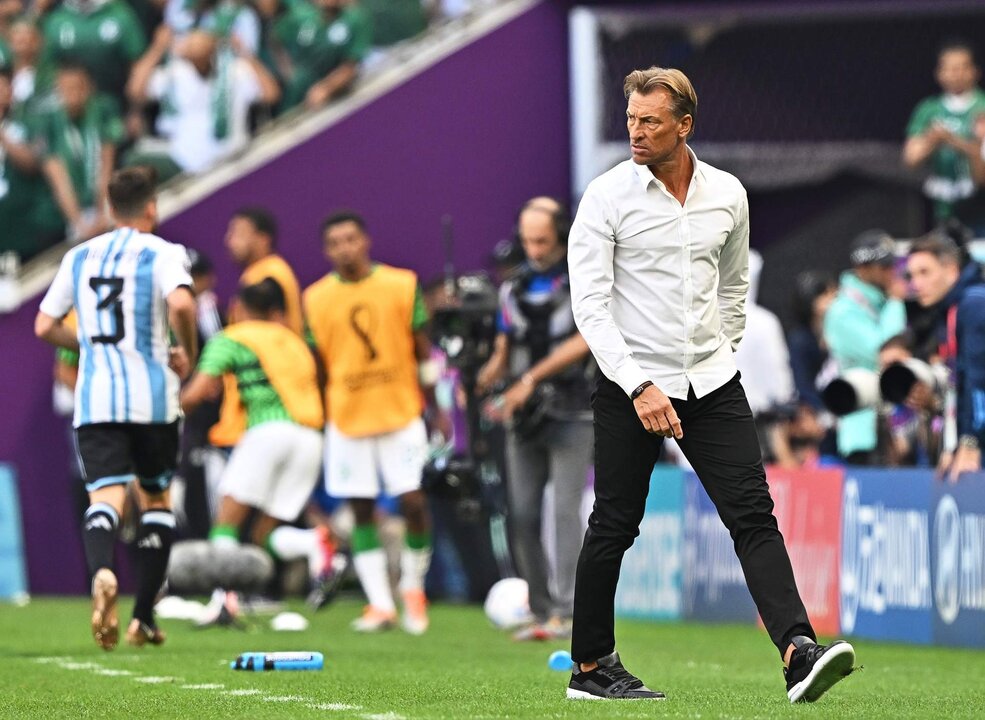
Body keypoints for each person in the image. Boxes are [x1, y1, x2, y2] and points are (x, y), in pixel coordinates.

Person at [565, 66, 856, 703]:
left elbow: (733, 289)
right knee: (616, 523)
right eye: (632, 120)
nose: (637, 133)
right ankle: (589, 668)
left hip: (713, 383)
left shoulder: (728, 193)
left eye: (651, 121)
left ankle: (797, 651)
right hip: (629, 384)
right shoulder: (606, 196)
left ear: (685, 125)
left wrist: (718, 354)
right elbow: (590, 307)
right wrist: (640, 384)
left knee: (753, 514)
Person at [34, 165, 198, 649]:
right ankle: (143, 616)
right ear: (152, 207)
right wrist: (184, 349)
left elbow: (43, 326)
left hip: (97, 398)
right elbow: (184, 306)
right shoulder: (163, 252)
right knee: (155, 500)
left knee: (105, 498)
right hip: (152, 399)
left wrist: (86, 343)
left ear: (108, 208)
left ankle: (102, 571)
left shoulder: (79, 256)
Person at [304, 210, 448, 634]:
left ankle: (412, 586)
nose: (344, 248)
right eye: (335, 242)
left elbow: (423, 351)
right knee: (361, 508)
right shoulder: (315, 298)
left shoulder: (402, 284)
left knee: (414, 501)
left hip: (401, 412)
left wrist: (436, 406)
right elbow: (319, 365)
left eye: (351, 239)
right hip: (347, 418)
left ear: (365, 241)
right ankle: (380, 605)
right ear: (327, 250)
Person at [476, 196, 593, 642]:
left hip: (573, 411)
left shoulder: (583, 281)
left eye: (542, 241)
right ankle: (542, 609)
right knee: (521, 513)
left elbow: (583, 342)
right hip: (524, 416)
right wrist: (489, 377)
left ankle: (568, 610)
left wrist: (529, 378)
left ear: (561, 236)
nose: (535, 249)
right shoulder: (512, 290)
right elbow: (504, 353)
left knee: (565, 512)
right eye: (527, 241)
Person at [180, 278, 335, 608]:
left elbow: (194, 395)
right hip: (310, 437)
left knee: (226, 522)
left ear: (238, 308)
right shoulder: (296, 343)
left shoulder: (232, 337)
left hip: (267, 432)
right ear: (275, 312)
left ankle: (223, 602)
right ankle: (313, 543)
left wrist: (158, 416)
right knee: (263, 533)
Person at [127, 26, 280, 179]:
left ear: (213, 48)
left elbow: (271, 94)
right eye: (191, 46)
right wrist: (157, 48)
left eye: (202, 45)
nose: (197, 53)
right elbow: (135, 91)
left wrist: (246, 54)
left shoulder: (235, 72)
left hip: (231, 158)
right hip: (185, 162)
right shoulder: (176, 75)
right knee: (134, 161)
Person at [906, 230, 985, 482]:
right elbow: (957, 383)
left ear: (951, 270)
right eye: (911, 275)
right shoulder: (952, 309)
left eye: (924, 272)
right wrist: (953, 446)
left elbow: (978, 379)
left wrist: (972, 442)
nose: (915, 284)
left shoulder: (974, 303)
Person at [823, 230, 907, 464]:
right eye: (884, 266)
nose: (892, 272)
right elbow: (883, 351)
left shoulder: (877, 301)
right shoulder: (842, 311)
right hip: (863, 429)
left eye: (892, 264)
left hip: (893, 424)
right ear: (862, 268)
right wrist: (896, 301)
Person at [36, 62, 124, 242]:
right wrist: (78, 222)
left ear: (89, 87)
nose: (73, 94)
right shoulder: (49, 121)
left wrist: (104, 212)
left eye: (78, 87)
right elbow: (59, 179)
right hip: (72, 212)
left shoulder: (103, 108)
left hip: (109, 202)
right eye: (66, 89)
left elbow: (107, 164)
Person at [903, 40, 985, 226]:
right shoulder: (929, 109)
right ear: (939, 73)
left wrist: (957, 143)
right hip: (943, 208)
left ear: (975, 71)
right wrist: (932, 140)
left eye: (962, 68)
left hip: (979, 206)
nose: (956, 75)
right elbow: (911, 159)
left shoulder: (982, 108)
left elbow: (982, 177)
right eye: (949, 68)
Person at [40, 0, 146, 103]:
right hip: (67, 104)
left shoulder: (120, 14)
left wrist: (136, 110)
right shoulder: (58, 18)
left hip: (115, 100)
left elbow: (136, 63)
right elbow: (47, 66)